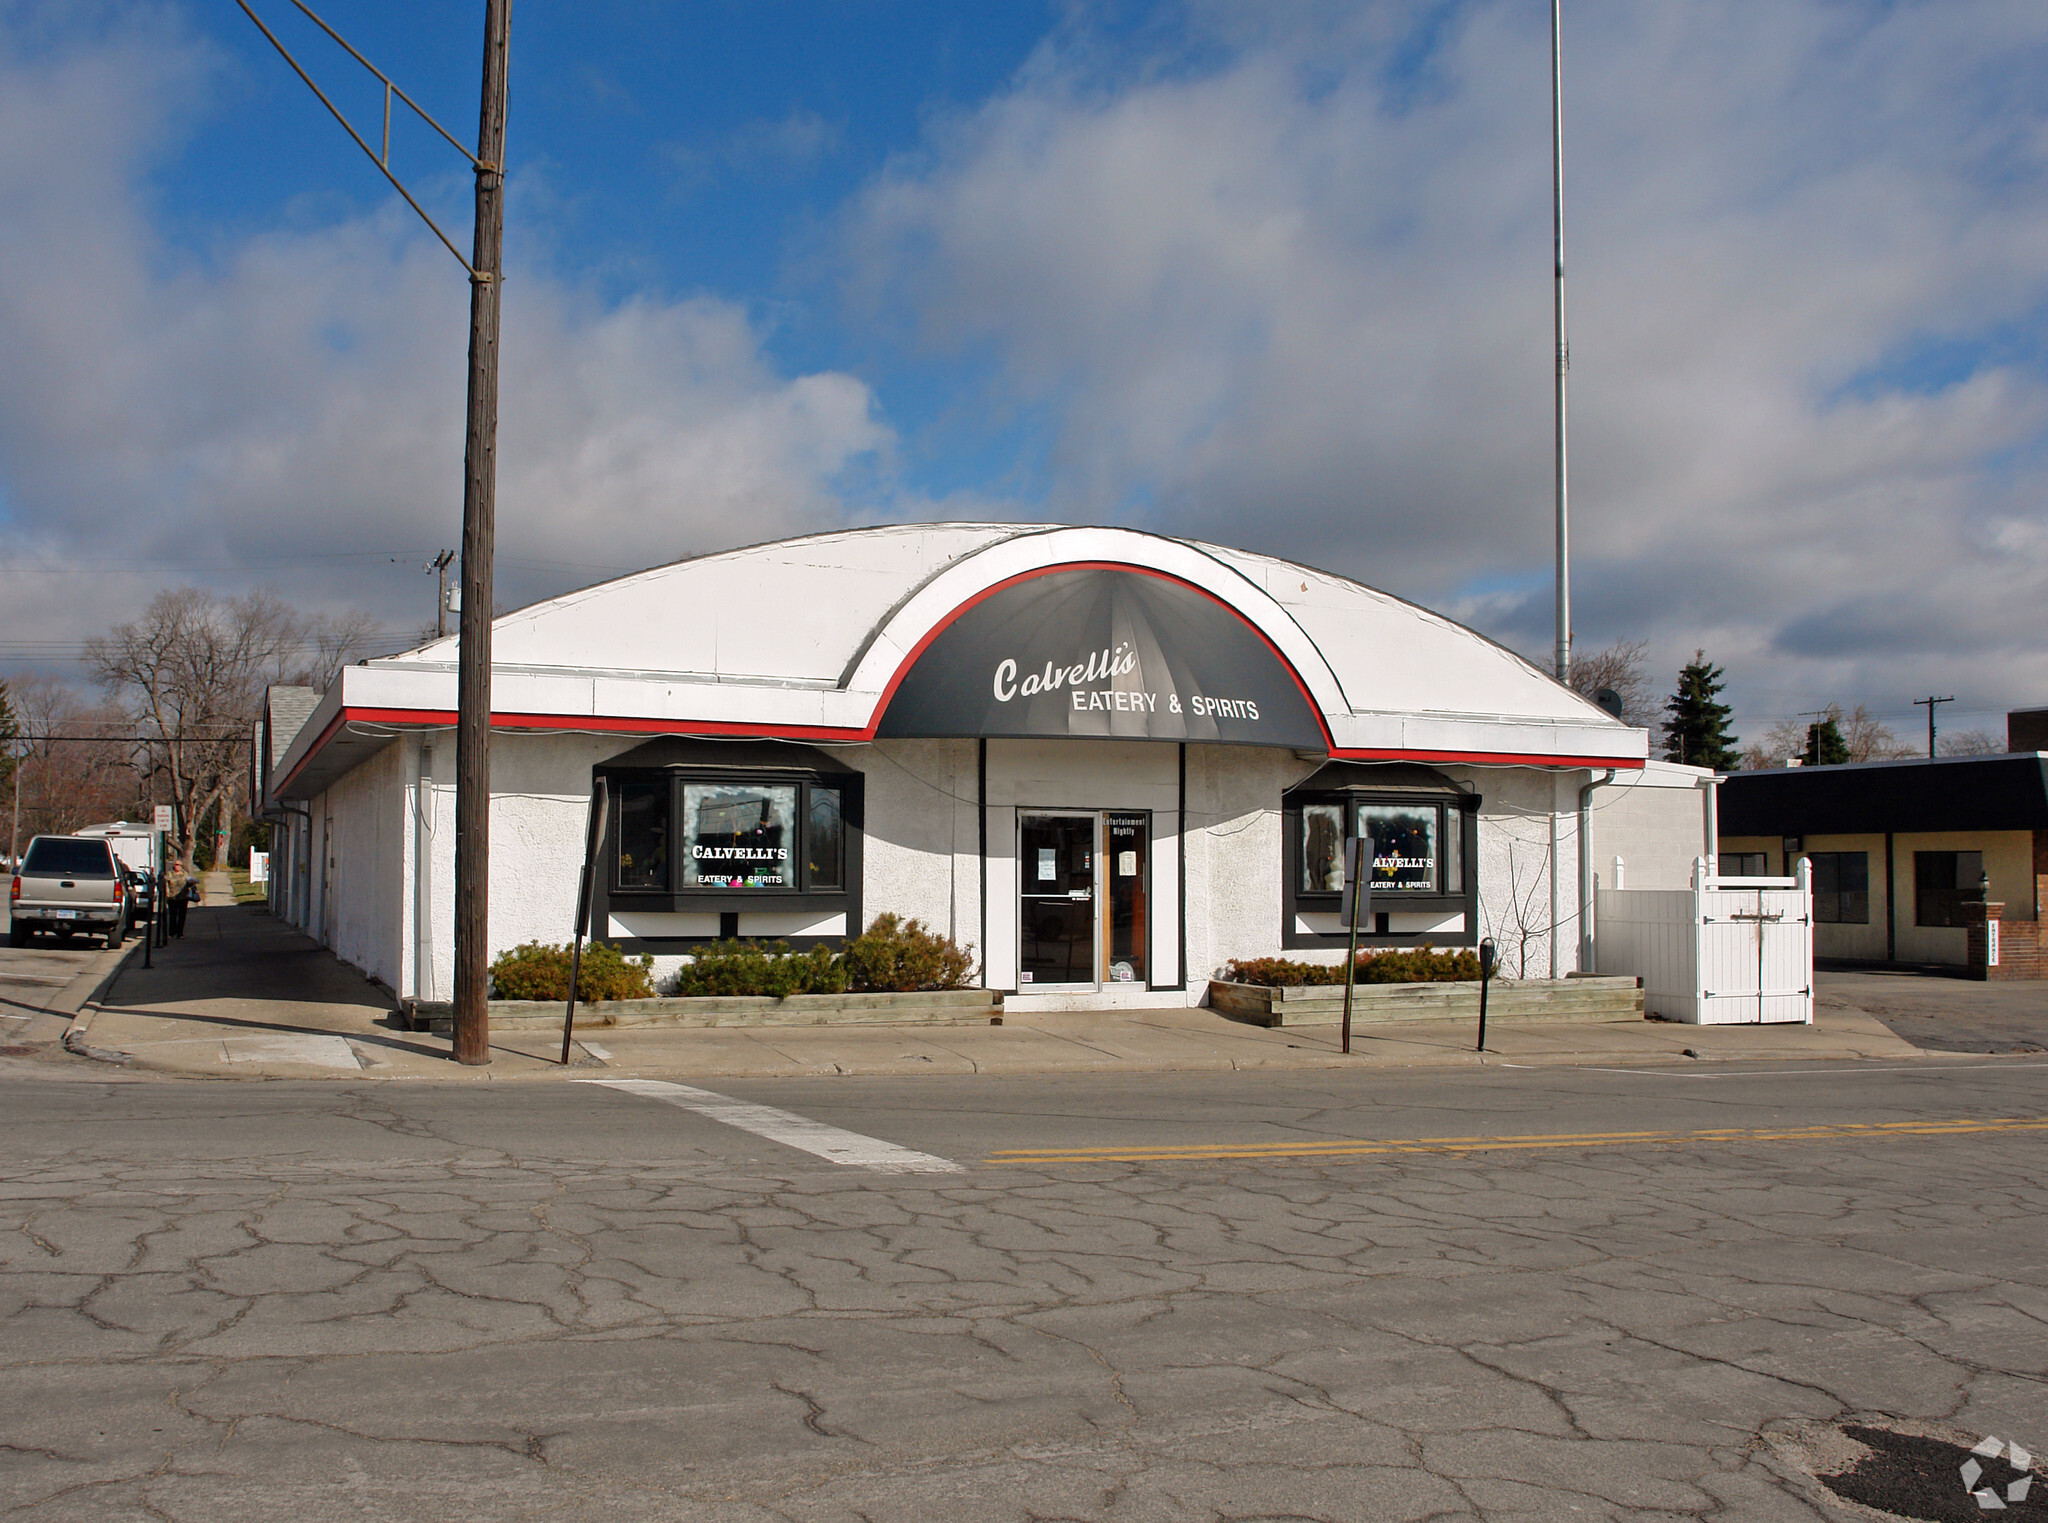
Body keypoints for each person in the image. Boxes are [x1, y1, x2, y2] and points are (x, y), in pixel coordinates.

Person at [165, 860, 194, 939]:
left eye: (179, 865)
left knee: (182, 916)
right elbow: (166, 884)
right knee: (173, 915)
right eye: (176, 864)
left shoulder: (185, 874)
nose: (178, 866)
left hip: (183, 897)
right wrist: (167, 894)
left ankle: (180, 933)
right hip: (172, 897)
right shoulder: (169, 873)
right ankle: (172, 933)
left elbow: (189, 883)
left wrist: (192, 883)